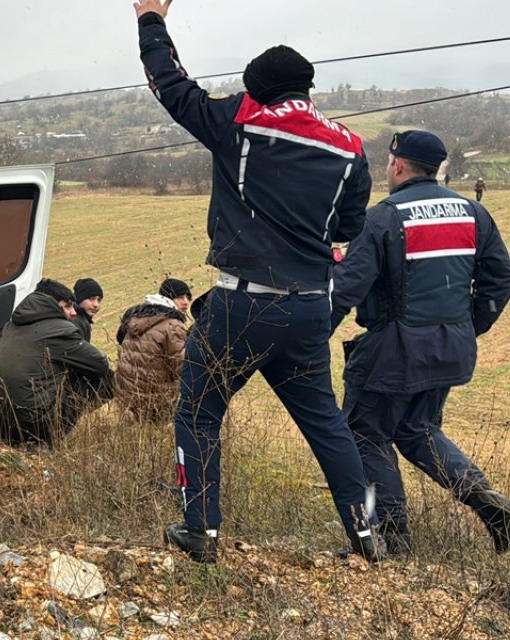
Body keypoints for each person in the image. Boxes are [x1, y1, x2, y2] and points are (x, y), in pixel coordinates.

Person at [134, 0, 383, 563]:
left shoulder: (240, 124)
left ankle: (201, 530)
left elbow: (171, 86)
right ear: (307, 88)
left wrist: (150, 18)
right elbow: (350, 225)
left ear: (257, 87)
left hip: (240, 306)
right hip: (309, 310)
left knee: (198, 413)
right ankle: (369, 535)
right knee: (328, 427)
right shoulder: (348, 145)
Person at [331, 130, 510, 556]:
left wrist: (310, 337)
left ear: (398, 165)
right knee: (418, 429)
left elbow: (345, 289)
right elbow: (501, 280)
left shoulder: (384, 217)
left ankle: (390, 537)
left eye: (389, 162)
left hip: (392, 349)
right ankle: (486, 500)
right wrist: (467, 326)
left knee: (365, 432)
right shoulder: (473, 212)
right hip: (450, 348)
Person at [0, 279, 113, 445]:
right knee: (106, 379)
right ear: (51, 305)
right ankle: (48, 441)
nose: (74, 312)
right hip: (31, 426)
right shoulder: (60, 331)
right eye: (68, 306)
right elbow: (99, 365)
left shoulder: (12, 324)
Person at [114, 278, 192, 422]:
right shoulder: (172, 325)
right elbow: (182, 367)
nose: (186, 302)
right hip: (157, 399)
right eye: (180, 297)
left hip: (130, 395)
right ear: (168, 298)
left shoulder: (137, 318)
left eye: (188, 297)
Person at [72, 278, 104, 342]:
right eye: (91, 299)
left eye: (99, 300)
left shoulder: (81, 319)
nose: (96, 305)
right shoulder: (76, 321)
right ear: (79, 299)